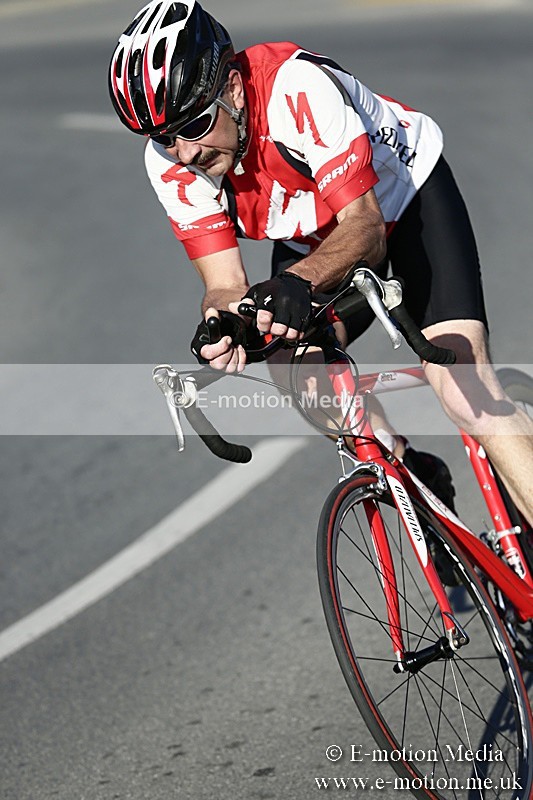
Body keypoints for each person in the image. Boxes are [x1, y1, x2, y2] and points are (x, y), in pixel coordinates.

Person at [109, 0, 533, 523]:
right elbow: (224, 283)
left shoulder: (296, 89)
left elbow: (365, 229)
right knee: (299, 374)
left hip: (401, 200)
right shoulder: (172, 162)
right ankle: (418, 485)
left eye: (194, 124)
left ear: (234, 89)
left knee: (464, 387)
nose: (183, 153)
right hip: (313, 229)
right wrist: (226, 323)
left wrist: (297, 280)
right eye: (162, 137)